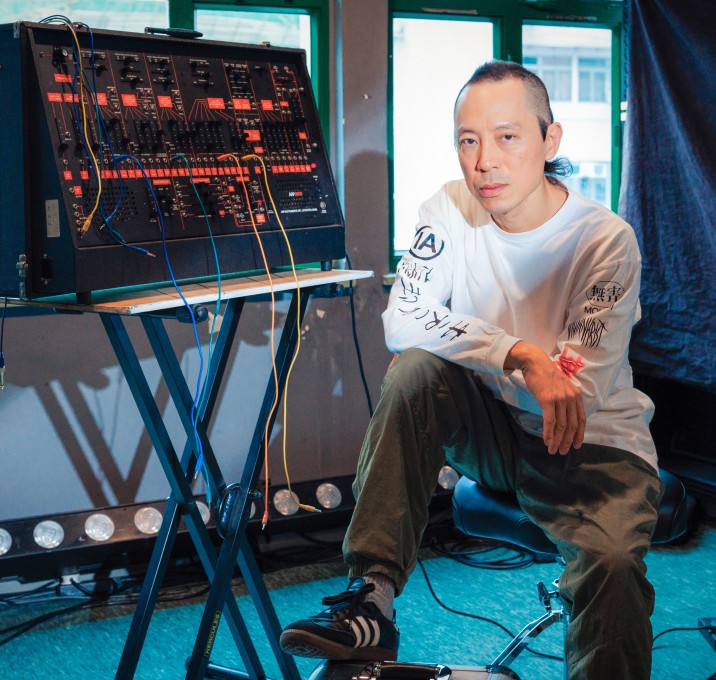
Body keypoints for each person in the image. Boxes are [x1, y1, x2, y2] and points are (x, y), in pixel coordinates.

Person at [279, 60, 663, 680]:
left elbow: (573, 393)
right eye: (468, 140)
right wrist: (519, 353)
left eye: (508, 137)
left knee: (613, 563)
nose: (485, 161)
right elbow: (402, 319)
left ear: (550, 140)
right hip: (493, 431)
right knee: (414, 371)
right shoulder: (449, 209)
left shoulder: (606, 241)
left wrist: (487, 351)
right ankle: (371, 599)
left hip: (592, 444)